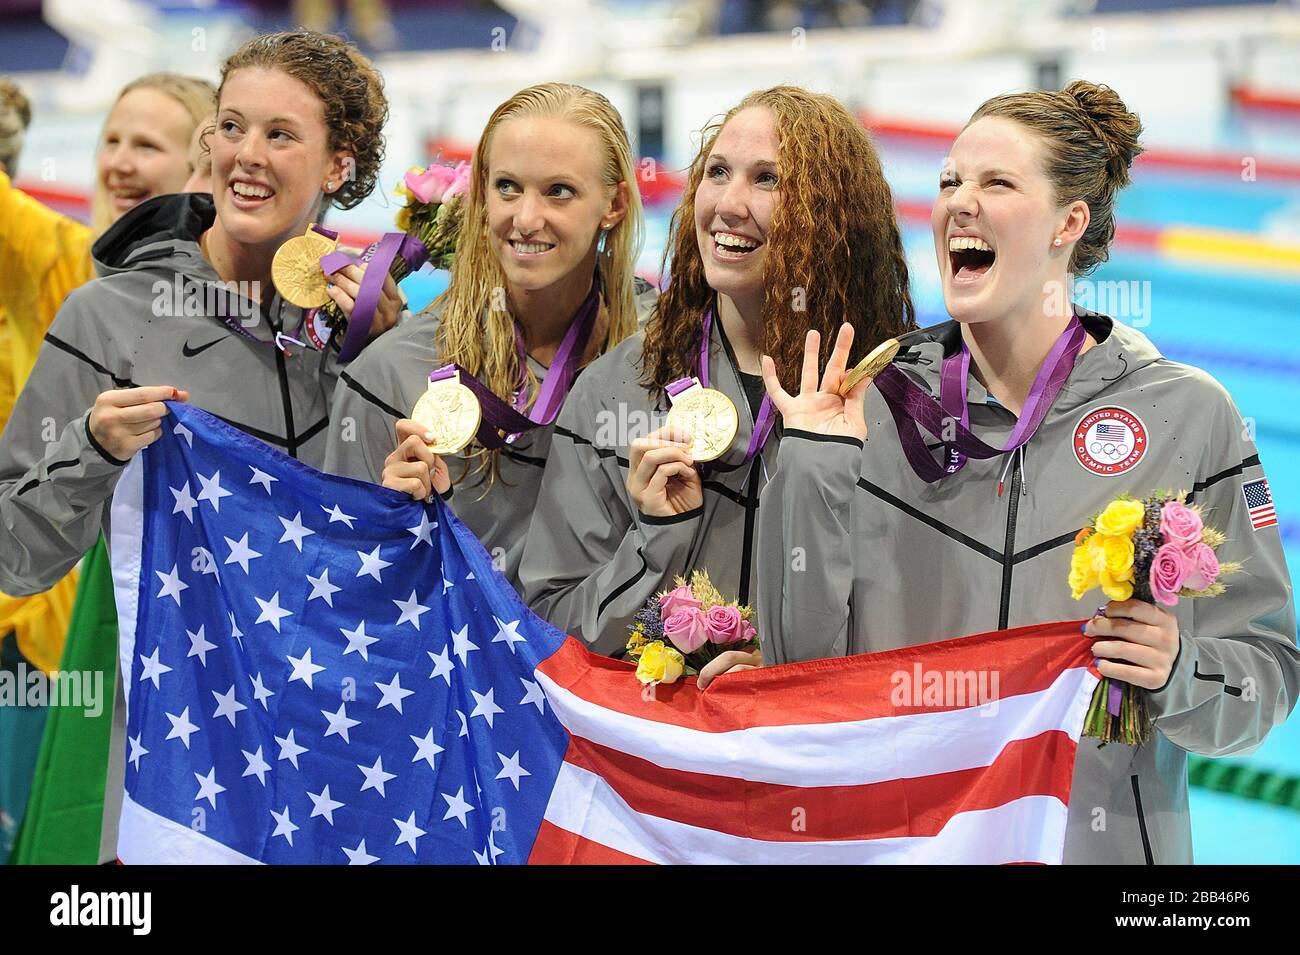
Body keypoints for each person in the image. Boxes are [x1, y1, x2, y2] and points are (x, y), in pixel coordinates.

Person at [751, 80, 1299, 863]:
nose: (959, 203)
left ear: (1067, 224)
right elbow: (799, 675)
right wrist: (809, 463)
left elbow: (1269, 676)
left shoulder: (1187, 414)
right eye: (948, 181)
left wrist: (1181, 668)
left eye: (995, 183)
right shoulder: (862, 403)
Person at [0, 29, 391, 862]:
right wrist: (93, 452)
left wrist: (378, 371)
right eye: (229, 126)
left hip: (331, 769)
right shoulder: (108, 318)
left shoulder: (370, 336)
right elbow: (10, 554)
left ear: (339, 166)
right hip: (167, 781)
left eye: (280, 135)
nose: (244, 156)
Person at [518, 85, 915, 656]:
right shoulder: (616, 390)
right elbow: (549, 632)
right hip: (665, 740)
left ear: (834, 214)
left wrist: (782, 670)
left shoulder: (893, 400)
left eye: (768, 179)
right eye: (717, 171)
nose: (728, 204)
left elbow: (921, 629)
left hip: (821, 735)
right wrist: (655, 541)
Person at [0, 72, 212, 859]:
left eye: (147, 145)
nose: (121, 162)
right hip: (41, 633)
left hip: (150, 655)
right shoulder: (65, 266)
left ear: (203, 172)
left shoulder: (245, 310)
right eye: (111, 141)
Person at [327, 82, 655, 585]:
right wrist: (392, 523)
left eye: (558, 191)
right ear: (480, 194)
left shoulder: (667, 352)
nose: (525, 219)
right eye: (507, 187)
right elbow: (344, 589)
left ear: (614, 204)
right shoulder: (391, 375)